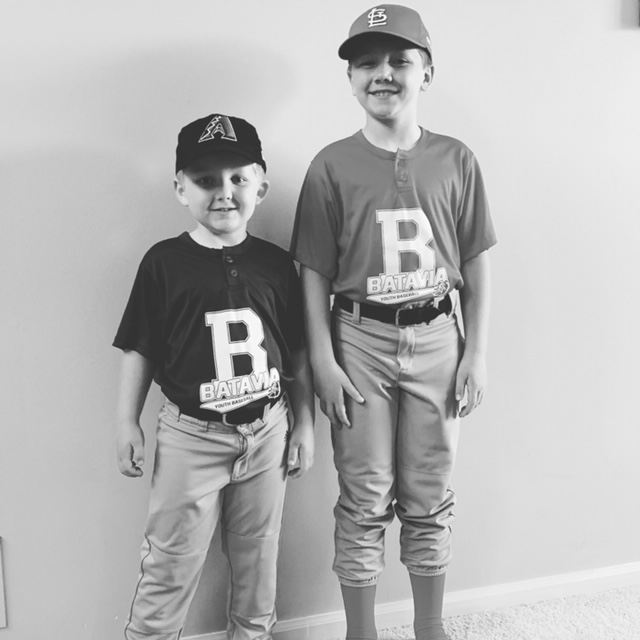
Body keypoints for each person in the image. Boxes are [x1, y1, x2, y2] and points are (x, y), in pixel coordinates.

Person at [290, 5, 497, 640]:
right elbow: (313, 272)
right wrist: (322, 360)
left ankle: (429, 625)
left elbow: (476, 261)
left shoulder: (455, 159)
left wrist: (475, 352)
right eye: (367, 63)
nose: (383, 73)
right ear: (351, 79)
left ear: (426, 72)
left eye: (399, 60)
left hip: (438, 336)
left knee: (429, 488)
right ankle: (361, 631)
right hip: (359, 340)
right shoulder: (330, 166)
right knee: (364, 491)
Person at [113, 113, 315, 640]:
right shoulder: (163, 263)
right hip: (191, 437)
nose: (224, 192)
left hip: (268, 431)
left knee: (258, 560)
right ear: (181, 189)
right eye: (206, 180)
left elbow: (296, 353)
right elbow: (139, 346)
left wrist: (306, 424)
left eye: (237, 178)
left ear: (259, 187)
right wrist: (126, 421)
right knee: (170, 561)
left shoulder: (276, 264)